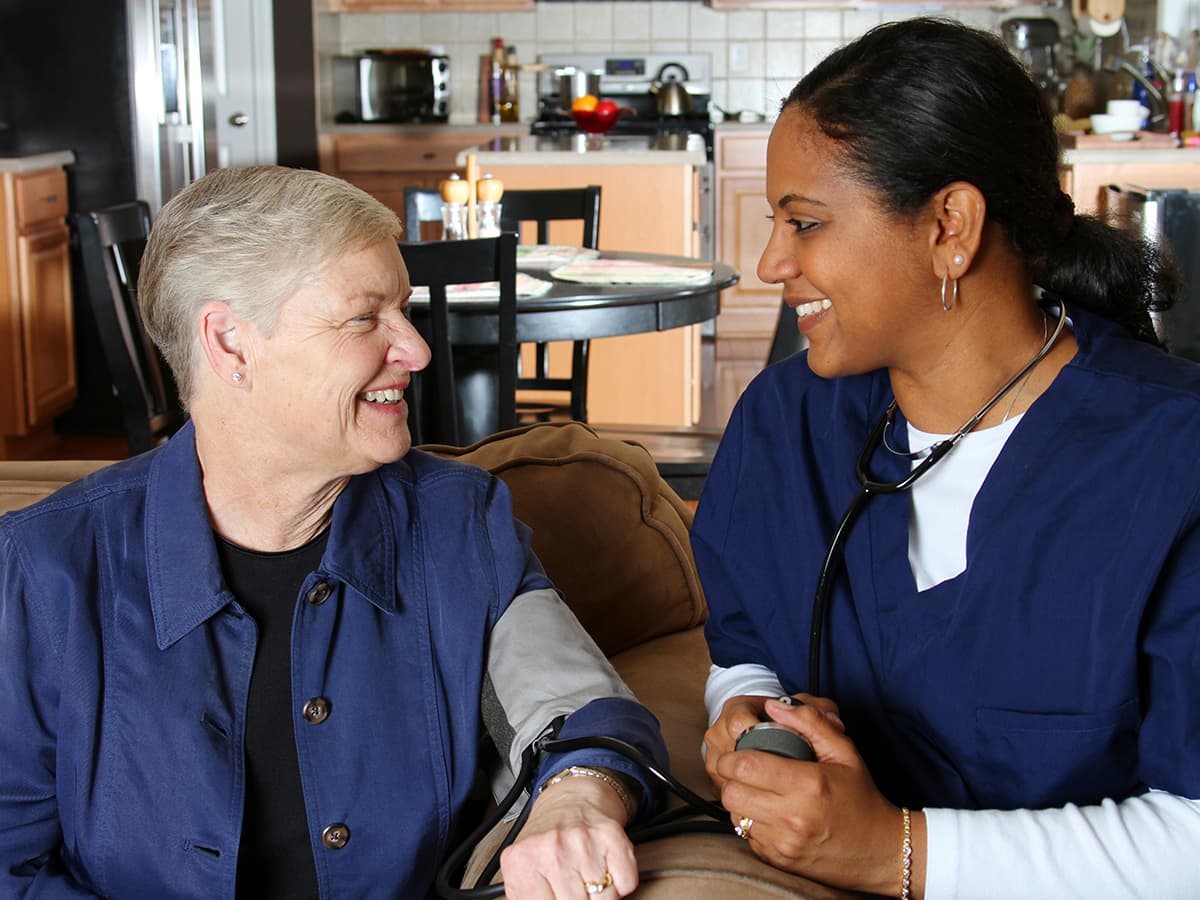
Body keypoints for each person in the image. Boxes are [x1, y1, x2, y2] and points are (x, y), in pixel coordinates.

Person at [0, 165, 666, 899]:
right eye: (364, 317)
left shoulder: (459, 523)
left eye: (403, 310)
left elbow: (578, 709)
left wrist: (577, 793)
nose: (415, 350)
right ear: (230, 344)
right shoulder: (44, 568)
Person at [693, 17, 1200, 900]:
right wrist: (744, 718)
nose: (772, 262)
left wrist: (892, 850)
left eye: (805, 223)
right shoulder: (784, 422)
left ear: (950, 226)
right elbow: (746, 649)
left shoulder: (1174, 460)